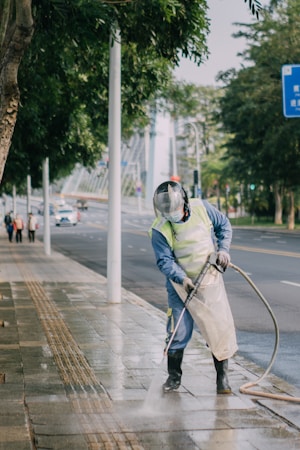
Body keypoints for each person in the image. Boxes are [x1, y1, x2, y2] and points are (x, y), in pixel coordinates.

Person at [149, 181, 237, 394]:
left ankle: (222, 378)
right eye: (166, 213)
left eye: (174, 211)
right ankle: (173, 378)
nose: (171, 215)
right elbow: (165, 261)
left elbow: (223, 225)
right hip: (180, 286)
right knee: (178, 330)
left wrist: (223, 250)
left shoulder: (201, 208)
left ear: (184, 203)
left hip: (209, 278)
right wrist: (182, 279)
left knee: (218, 327)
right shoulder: (159, 229)